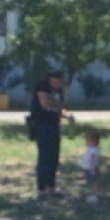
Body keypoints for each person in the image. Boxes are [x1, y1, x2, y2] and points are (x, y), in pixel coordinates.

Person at [30, 70, 74, 201]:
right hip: (41, 125)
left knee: (54, 157)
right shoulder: (42, 87)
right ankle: (41, 190)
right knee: (44, 157)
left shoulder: (59, 90)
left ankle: (52, 188)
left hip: (54, 125)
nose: (57, 85)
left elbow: (61, 108)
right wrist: (58, 106)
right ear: (49, 80)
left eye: (59, 82)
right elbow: (44, 103)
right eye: (55, 82)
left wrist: (67, 115)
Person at [80, 131, 101, 204]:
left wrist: (92, 170)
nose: (86, 142)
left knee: (92, 182)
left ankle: (94, 195)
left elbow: (91, 160)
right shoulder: (91, 149)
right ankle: (92, 194)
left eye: (88, 141)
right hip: (89, 169)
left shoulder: (92, 150)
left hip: (90, 169)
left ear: (93, 142)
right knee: (91, 182)